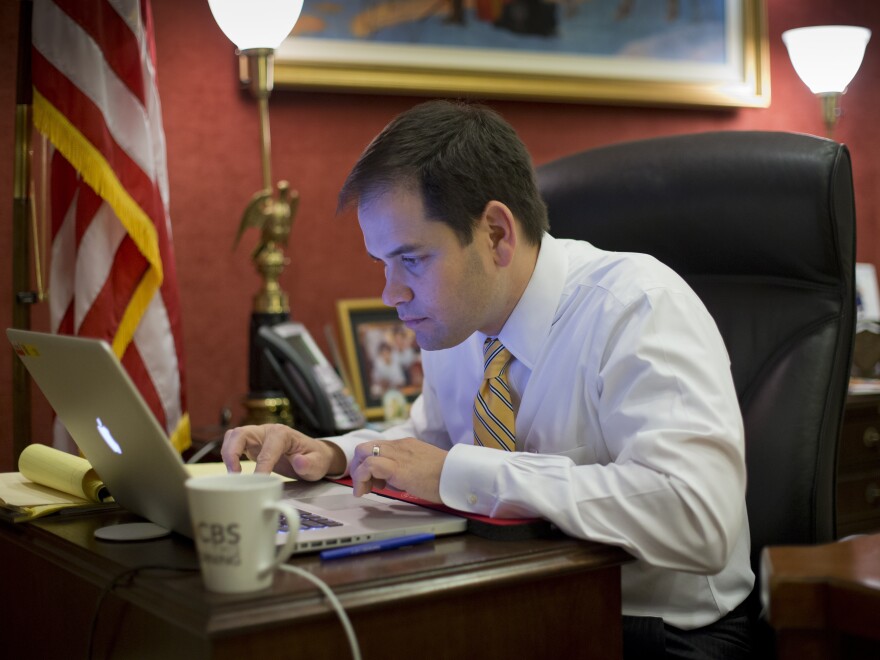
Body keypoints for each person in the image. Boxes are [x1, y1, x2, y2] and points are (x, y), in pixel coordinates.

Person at [222, 100, 754, 658]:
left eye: (412, 259)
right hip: (518, 604)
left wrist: (465, 471)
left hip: (658, 633)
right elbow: (432, 445)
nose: (391, 294)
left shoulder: (639, 307)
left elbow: (698, 517)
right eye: (383, 263)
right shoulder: (459, 321)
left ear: (497, 233)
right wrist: (334, 454)